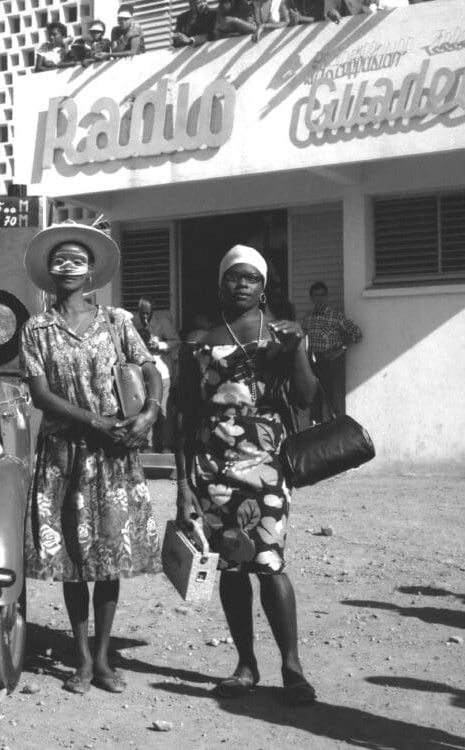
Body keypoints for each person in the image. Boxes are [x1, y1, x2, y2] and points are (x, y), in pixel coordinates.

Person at [20, 223, 163, 695]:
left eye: (76, 260)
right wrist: (94, 420)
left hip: (113, 456)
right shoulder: (36, 329)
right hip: (65, 454)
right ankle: (80, 657)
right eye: (59, 260)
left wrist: (150, 411)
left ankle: (102, 659)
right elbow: (40, 394)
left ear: (92, 271)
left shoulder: (118, 322)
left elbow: (149, 368)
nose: (67, 268)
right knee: (75, 561)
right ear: (48, 270)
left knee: (106, 560)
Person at [175, 244, 318, 705]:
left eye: (250, 278)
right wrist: (182, 484)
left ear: (263, 287)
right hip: (212, 468)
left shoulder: (282, 336)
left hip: (266, 464)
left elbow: (305, 396)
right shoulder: (200, 341)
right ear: (221, 284)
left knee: (270, 561)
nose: (241, 284)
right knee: (233, 566)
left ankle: (291, 667)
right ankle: (245, 664)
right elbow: (185, 416)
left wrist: (297, 349)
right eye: (233, 277)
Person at [302, 280, 362, 422]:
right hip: (313, 362)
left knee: (333, 400)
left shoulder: (335, 316)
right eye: (316, 295)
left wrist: (341, 349)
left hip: (331, 362)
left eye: (322, 295)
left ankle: (337, 433)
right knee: (315, 399)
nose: (319, 298)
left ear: (327, 297)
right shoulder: (308, 318)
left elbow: (357, 334)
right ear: (312, 298)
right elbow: (303, 338)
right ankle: (317, 433)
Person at [133, 298, 180, 452]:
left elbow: (176, 342)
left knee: (163, 409)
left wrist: (160, 345)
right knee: (146, 407)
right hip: (142, 372)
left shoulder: (163, 322)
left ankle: (167, 444)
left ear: (153, 311)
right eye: (142, 314)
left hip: (162, 371)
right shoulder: (133, 323)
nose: (145, 317)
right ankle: (148, 444)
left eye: (147, 314)